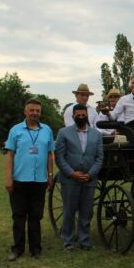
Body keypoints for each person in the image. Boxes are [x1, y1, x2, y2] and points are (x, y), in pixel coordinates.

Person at [5, 98, 55, 261]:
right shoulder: (16, 130)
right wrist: (9, 178)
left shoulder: (47, 130)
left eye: (37, 111)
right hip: (19, 180)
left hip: (39, 181)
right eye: (32, 110)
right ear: (25, 111)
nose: (35, 113)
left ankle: (36, 249)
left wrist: (50, 175)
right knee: (19, 215)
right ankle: (17, 249)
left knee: (35, 216)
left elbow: (49, 155)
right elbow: (10, 156)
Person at [55, 104, 104, 251]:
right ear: (73, 116)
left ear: (87, 116)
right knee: (69, 211)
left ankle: (85, 241)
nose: (81, 117)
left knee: (86, 212)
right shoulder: (63, 133)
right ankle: (68, 242)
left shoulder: (97, 134)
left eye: (84, 115)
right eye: (78, 115)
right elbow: (59, 157)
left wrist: (90, 174)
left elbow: (99, 158)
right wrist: (71, 173)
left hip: (89, 179)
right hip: (70, 179)